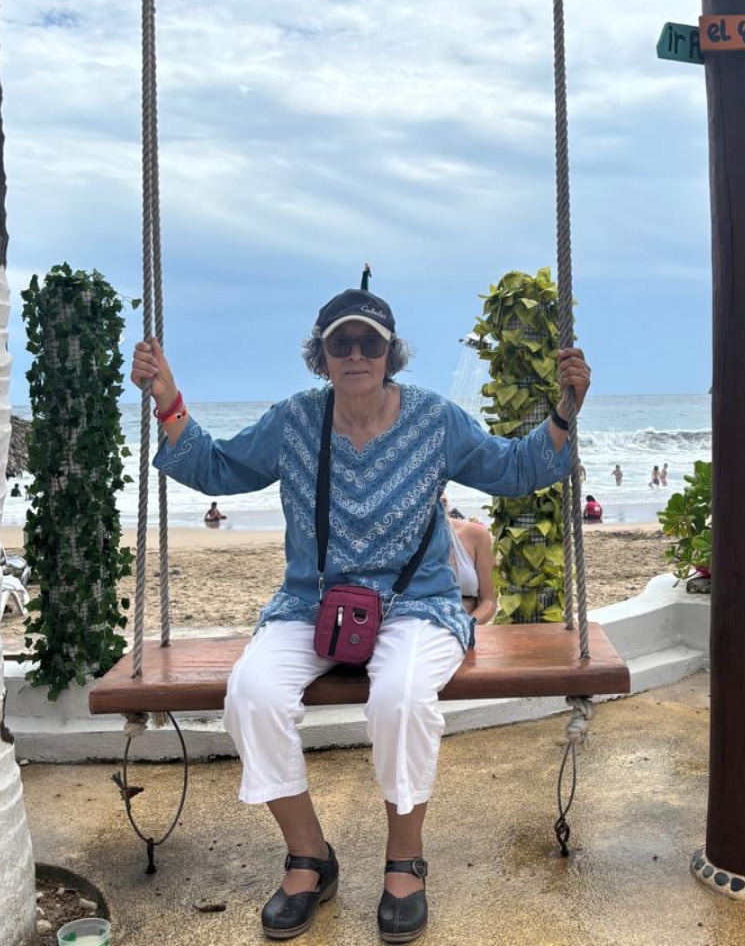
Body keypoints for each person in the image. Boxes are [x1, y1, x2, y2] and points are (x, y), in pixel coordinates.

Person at [130, 282, 591, 943]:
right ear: (320, 357)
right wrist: (168, 398)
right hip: (312, 603)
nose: (355, 354)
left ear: (389, 353)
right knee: (252, 693)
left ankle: (404, 861)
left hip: (418, 605)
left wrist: (566, 412)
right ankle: (309, 856)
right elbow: (219, 468)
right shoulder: (295, 420)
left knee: (400, 697)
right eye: (339, 343)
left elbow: (514, 468)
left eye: (368, 343)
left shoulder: (434, 420)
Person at [440, 496, 496, 624]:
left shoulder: (476, 534)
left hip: (467, 627)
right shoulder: (402, 541)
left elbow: (489, 600)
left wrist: (466, 626)